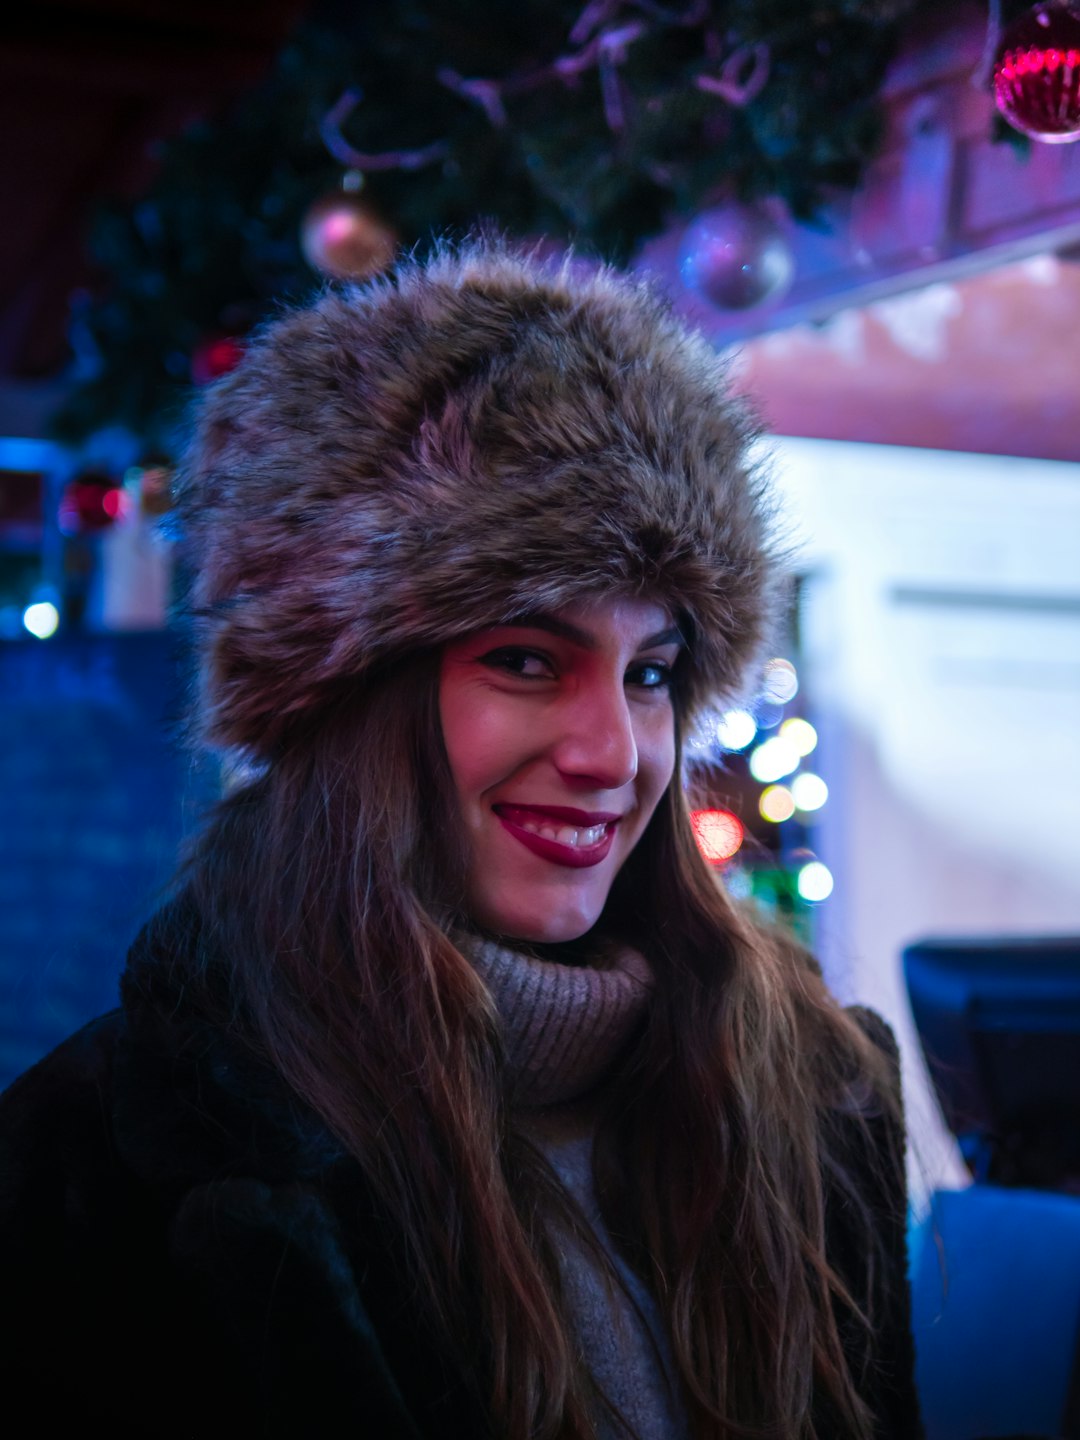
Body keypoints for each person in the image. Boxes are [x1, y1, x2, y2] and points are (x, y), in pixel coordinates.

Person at [0, 239, 921, 1439]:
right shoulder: (102, 1159)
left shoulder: (814, 1089)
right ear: (346, 696)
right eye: (527, 661)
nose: (615, 751)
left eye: (651, 672)